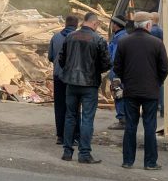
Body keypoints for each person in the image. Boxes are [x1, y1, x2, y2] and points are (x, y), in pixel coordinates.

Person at [113, 11, 168, 170]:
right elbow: (164, 68)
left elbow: (117, 67)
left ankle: (127, 161)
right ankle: (150, 162)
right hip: (150, 92)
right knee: (150, 127)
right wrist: (156, 82)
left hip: (130, 91)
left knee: (130, 126)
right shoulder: (157, 43)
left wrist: (126, 81)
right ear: (148, 25)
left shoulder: (124, 42)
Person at [58, 12, 111, 164]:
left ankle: (67, 152)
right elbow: (106, 63)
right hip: (89, 84)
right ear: (94, 23)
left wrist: (69, 71)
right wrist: (95, 72)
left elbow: (61, 59)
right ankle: (84, 154)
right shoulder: (98, 39)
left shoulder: (70, 37)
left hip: (71, 83)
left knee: (70, 117)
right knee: (87, 119)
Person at [48, 14, 80, 145]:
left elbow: (50, 56)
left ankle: (60, 136)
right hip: (74, 78)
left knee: (60, 106)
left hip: (58, 76)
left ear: (65, 24)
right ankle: (75, 136)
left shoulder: (55, 37)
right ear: (77, 25)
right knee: (74, 107)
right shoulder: (79, 38)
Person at [107, 16, 129, 130]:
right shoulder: (125, 36)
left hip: (117, 72)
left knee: (118, 94)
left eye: (113, 24)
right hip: (125, 72)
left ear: (116, 25)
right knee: (124, 93)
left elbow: (114, 57)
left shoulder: (118, 39)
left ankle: (122, 120)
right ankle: (126, 118)